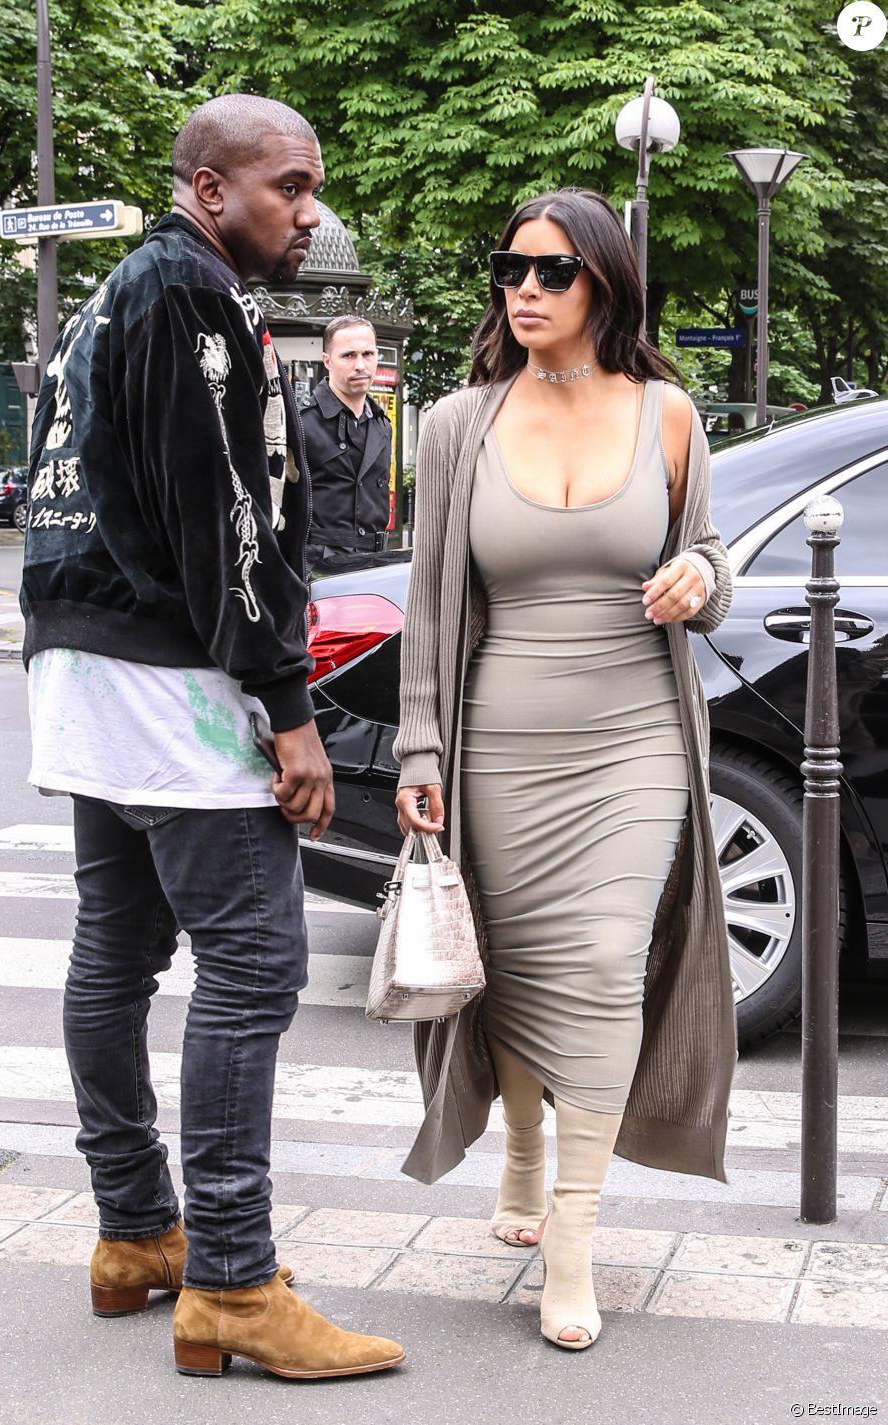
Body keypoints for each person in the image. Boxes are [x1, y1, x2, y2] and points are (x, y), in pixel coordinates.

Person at [19, 93, 404, 1382]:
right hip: (172, 682)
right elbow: (222, 518)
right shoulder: (189, 296)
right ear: (207, 186)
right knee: (251, 967)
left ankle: (137, 1233)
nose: (309, 212)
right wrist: (289, 713)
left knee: (116, 953)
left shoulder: (114, 294)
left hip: (85, 667)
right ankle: (232, 1278)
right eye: (288, 188)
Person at [393, 188, 736, 1351]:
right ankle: (523, 1153)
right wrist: (418, 748)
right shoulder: (457, 423)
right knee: (515, 967)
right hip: (497, 739)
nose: (522, 291)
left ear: (604, 283)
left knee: (598, 963)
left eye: (549, 273)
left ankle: (574, 1235)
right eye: (509, 271)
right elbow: (429, 603)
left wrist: (700, 578)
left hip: (634, 736)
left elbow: (708, 557)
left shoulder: (669, 413)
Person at [300, 315, 393, 571]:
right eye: (349, 356)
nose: (360, 365)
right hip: (317, 570)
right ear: (327, 361)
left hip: (373, 567)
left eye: (368, 354)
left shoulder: (382, 425)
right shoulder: (301, 423)